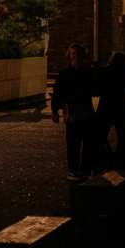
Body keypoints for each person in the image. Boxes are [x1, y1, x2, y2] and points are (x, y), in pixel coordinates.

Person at [51, 43, 99, 181]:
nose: (76, 56)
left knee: (88, 142)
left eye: (78, 53)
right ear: (70, 56)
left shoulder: (88, 73)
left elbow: (95, 89)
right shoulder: (64, 74)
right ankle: (74, 169)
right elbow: (57, 93)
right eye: (73, 53)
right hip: (72, 110)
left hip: (86, 109)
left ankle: (84, 169)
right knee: (73, 143)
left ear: (83, 55)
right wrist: (55, 111)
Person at [95, 51, 125, 165]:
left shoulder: (104, 71)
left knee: (100, 136)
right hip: (122, 108)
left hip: (105, 107)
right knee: (124, 137)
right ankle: (122, 160)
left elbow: (96, 90)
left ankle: (99, 160)